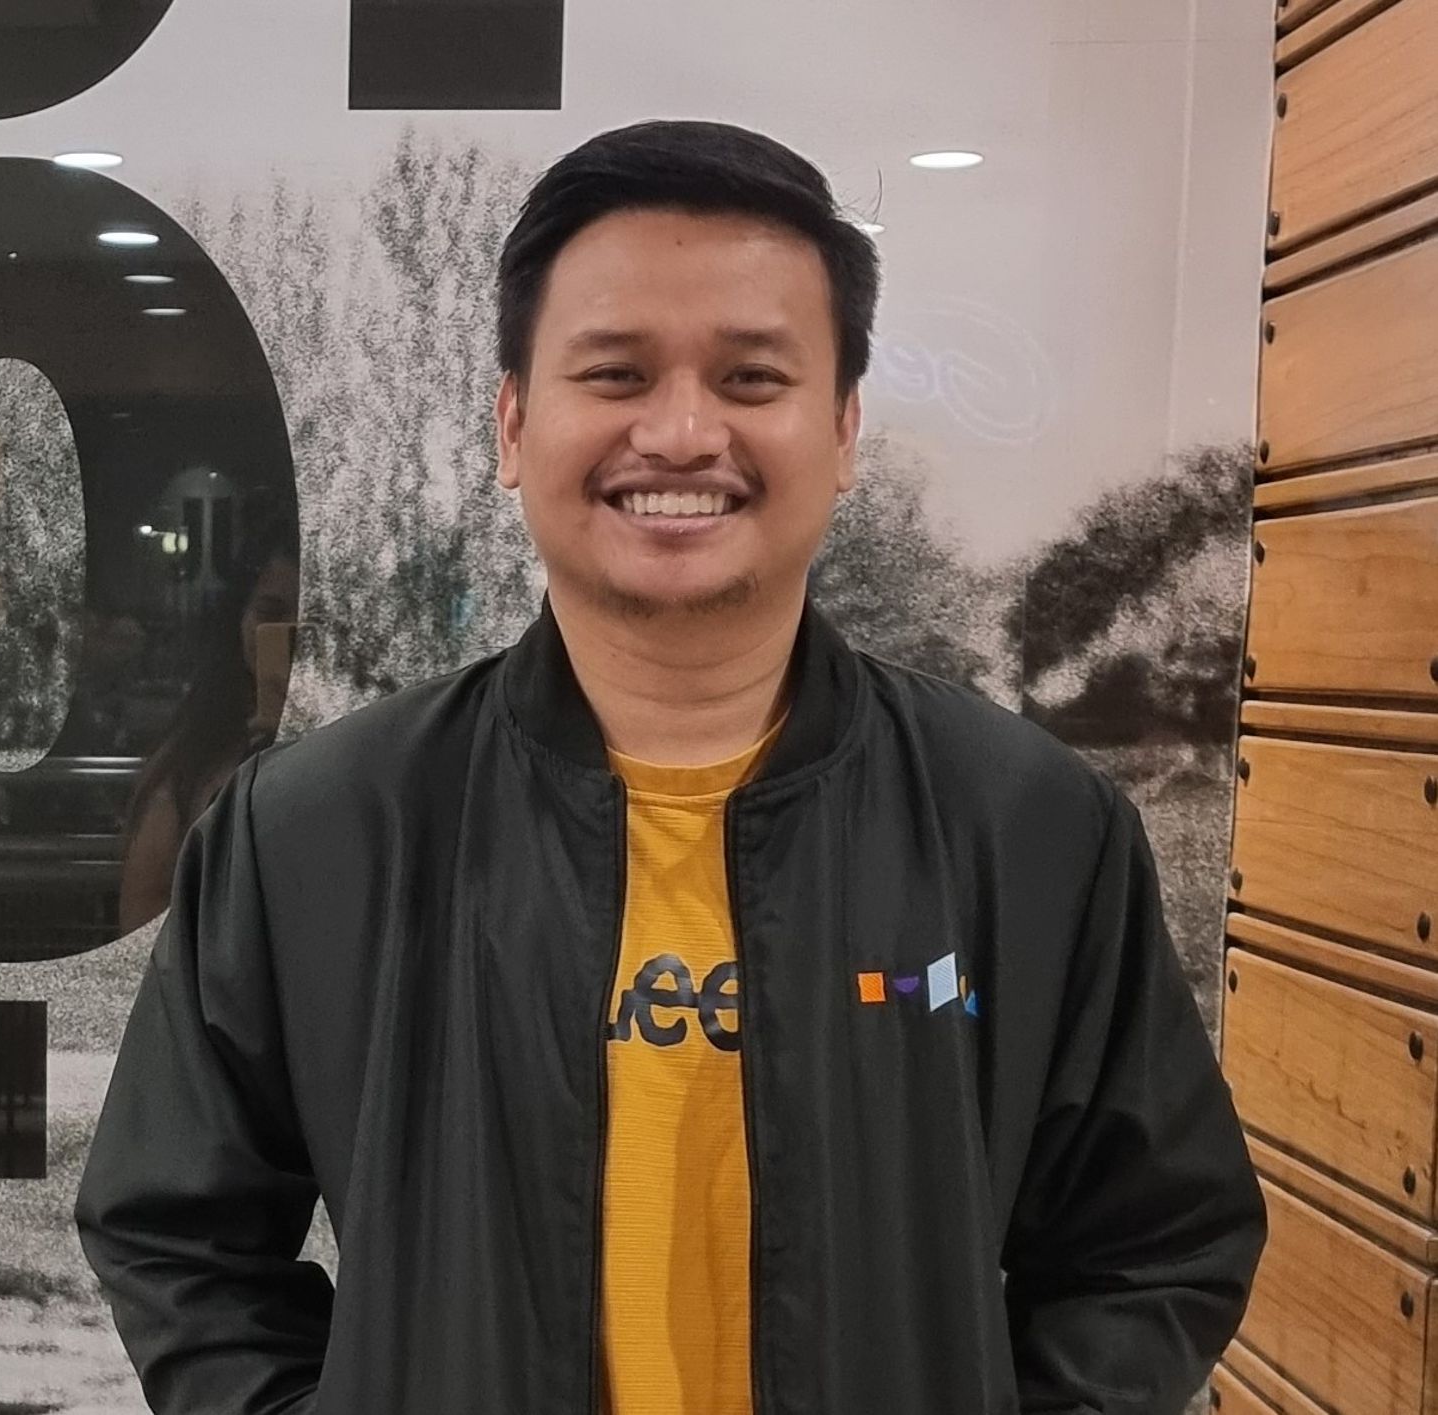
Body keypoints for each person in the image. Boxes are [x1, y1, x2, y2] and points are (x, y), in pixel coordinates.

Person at [74, 119, 1267, 1414]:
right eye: (617, 372)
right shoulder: (314, 832)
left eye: (752, 377)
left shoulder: (1027, 828)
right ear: (513, 424)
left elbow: (1156, 1241)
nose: (685, 431)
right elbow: (175, 1229)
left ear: (844, 428)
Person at [116, 517, 299, 934]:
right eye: (271, 614)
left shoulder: (382, 748)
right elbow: (142, 914)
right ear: (239, 622)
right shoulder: (195, 761)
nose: (294, 634)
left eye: (315, 618)